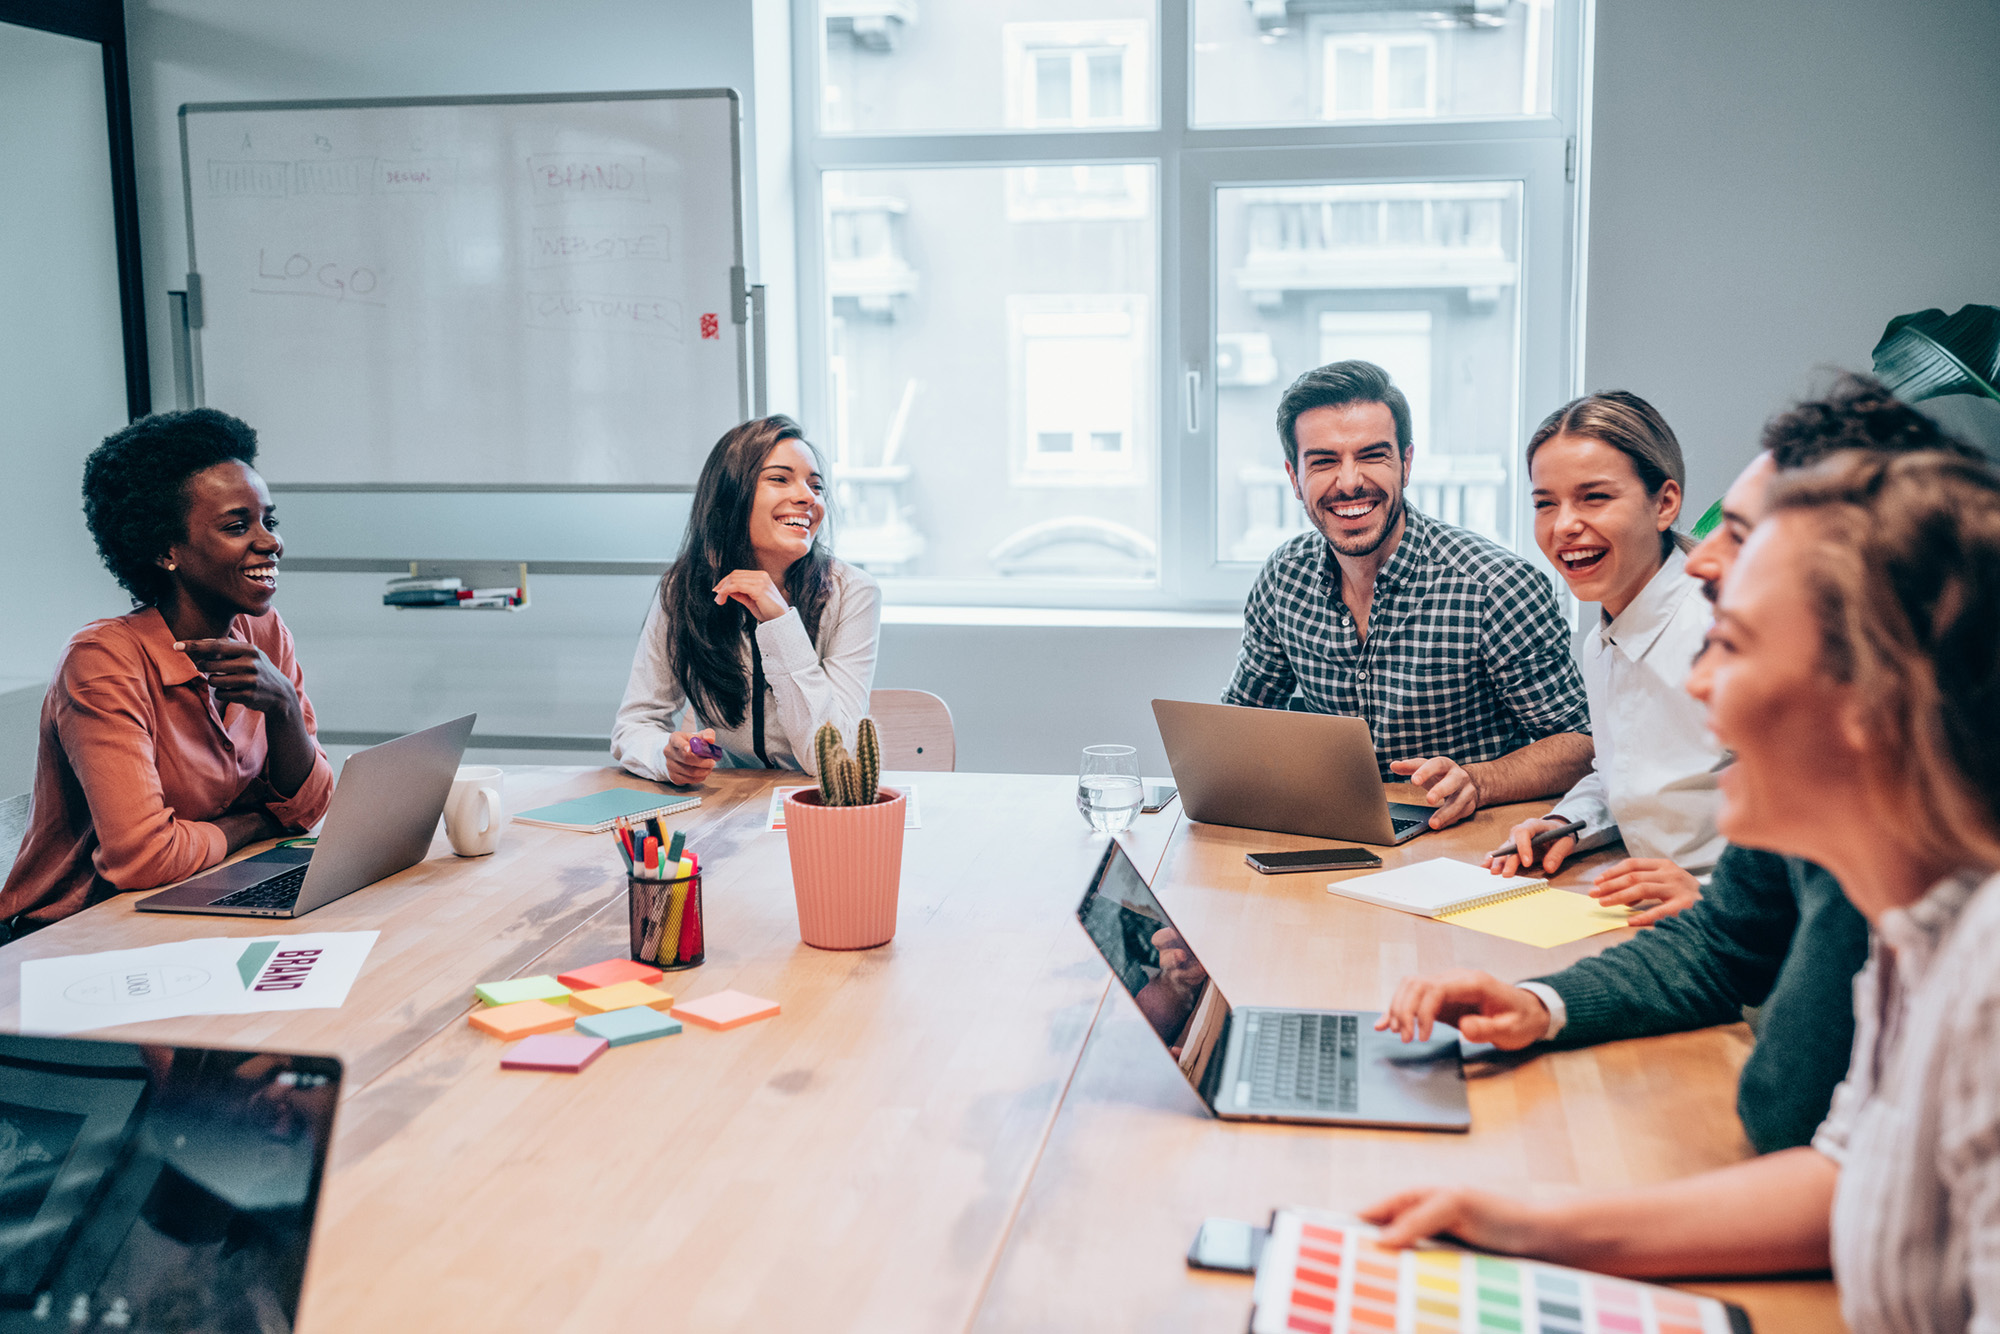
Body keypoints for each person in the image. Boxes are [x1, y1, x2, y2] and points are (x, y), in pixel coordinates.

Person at [1363, 449, 2000, 1329]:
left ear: (1870, 693)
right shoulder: (1911, 933)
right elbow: (1849, 1172)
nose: (1700, 688)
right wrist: (1523, 1217)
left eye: (1731, 644)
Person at [0, 409, 333, 936]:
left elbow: (311, 807)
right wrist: (257, 821)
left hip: (201, 895)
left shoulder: (264, 633)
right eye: (236, 526)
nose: (270, 542)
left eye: (269, 520)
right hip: (76, 931)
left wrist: (285, 708)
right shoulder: (103, 661)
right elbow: (143, 859)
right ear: (165, 550)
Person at [1224, 360, 1592, 830]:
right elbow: (1236, 727)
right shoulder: (1283, 578)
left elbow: (1581, 745)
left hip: (1466, 850)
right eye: (1323, 461)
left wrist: (1481, 781)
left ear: (1407, 463)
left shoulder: (1496, 587)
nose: (1350, 481)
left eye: (1372, 455)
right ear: (1294, 479)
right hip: (1336, 837)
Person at [1487, 391, 1726, 926]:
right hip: (1654, 917)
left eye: (1593, 497)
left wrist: (1715, 895)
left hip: (1743, 940)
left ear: (1664, 504)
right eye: (1545, 502)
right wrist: (1569, 821)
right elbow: (1624, 768)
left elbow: (1827, 820)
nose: (1563, 525)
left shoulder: (1725, 635)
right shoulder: (1605, 640)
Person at [611, 415, 880, 784]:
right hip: (725, 806)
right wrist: (665, 757)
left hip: (817, 805)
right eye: (780, 478)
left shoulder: (853, 592)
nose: (806, 497)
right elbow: (635, 724)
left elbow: (835, 761)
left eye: (815, 486)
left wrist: (780, 622)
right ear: (731, 495)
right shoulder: (683, 588)